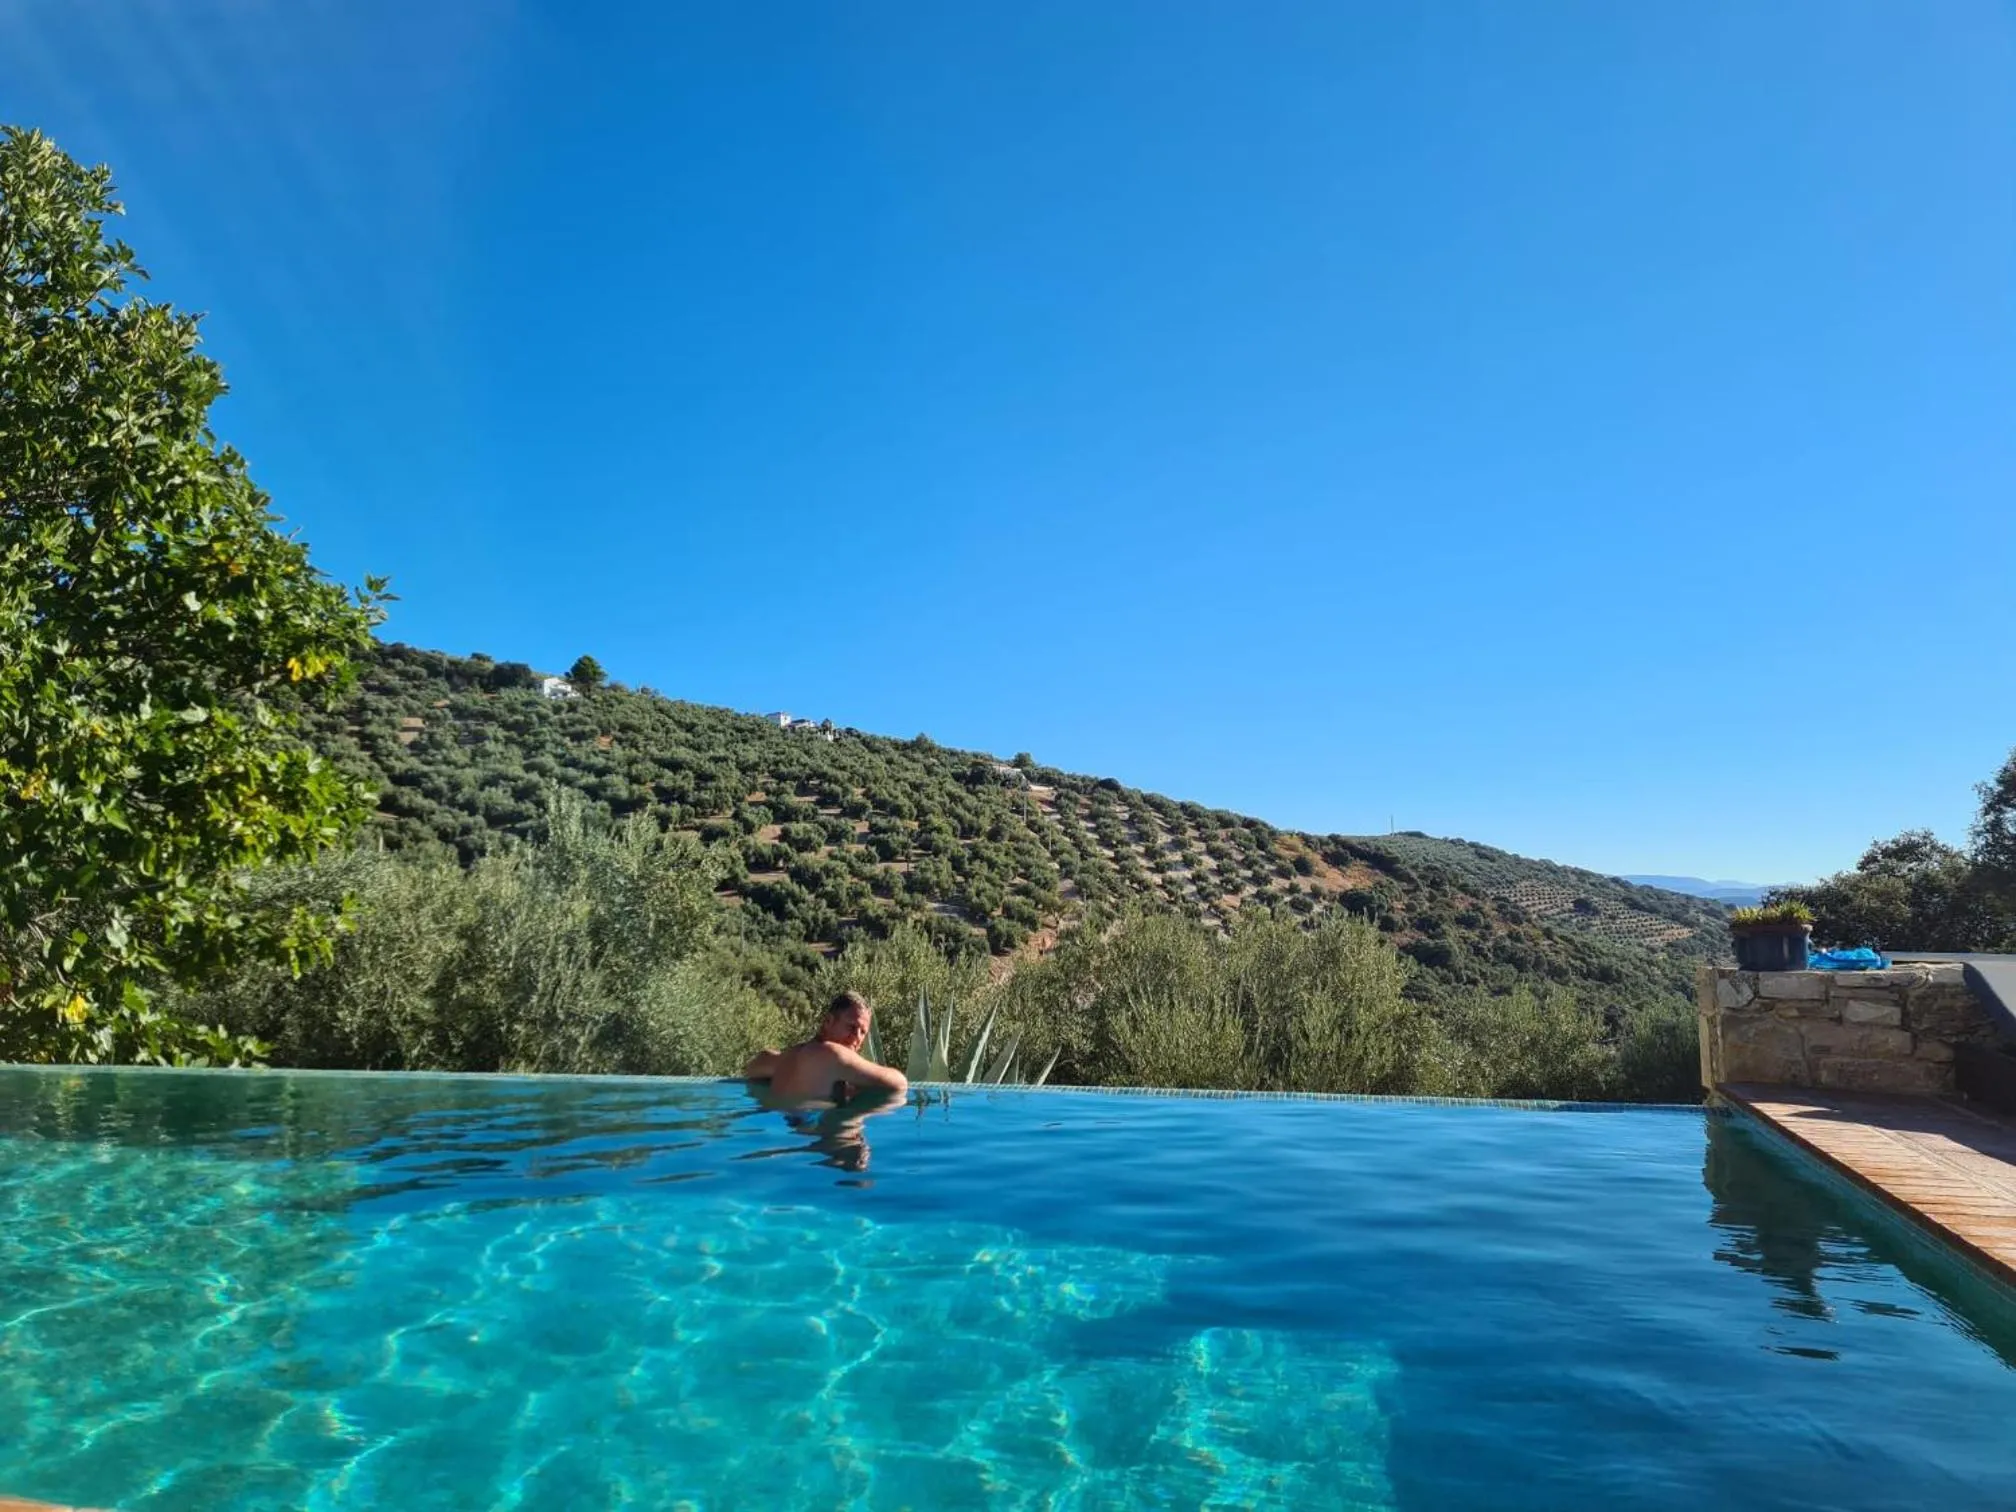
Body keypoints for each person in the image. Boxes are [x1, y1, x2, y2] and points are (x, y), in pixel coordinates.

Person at [743, 990, 909, 1104]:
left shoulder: (785, 1058)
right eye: (851, 1027)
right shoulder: (834, 1054)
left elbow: (754, 1066)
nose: (857, 1037)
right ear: (828, 1021)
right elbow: (900, 1083)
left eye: (863, 1032)